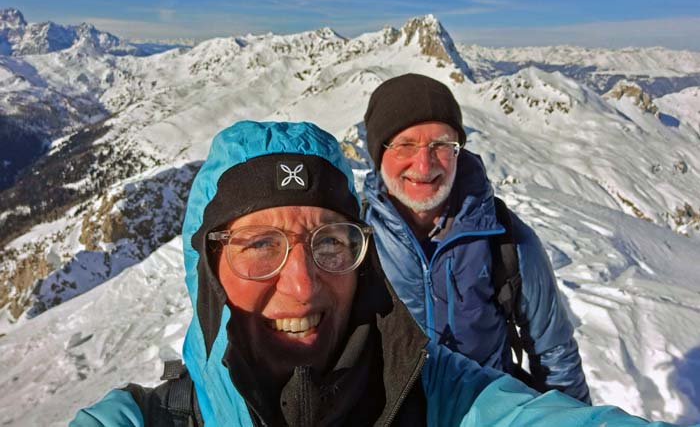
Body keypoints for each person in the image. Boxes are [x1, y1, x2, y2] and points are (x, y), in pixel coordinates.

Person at [71, 120, 692, 426]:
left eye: (331, 243)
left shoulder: (439, 390)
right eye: (260, 245)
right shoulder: (151, 419)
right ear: (206, 269)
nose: (304, 286)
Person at [363, 73, 590, 402]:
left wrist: (576, 421)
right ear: (378, 152)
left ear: (458, 151)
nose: (424, 165)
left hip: (487, 411)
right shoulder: (352, 240)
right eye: (405, 145)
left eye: (440, 145)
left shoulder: (505, 238)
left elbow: (554, 353)